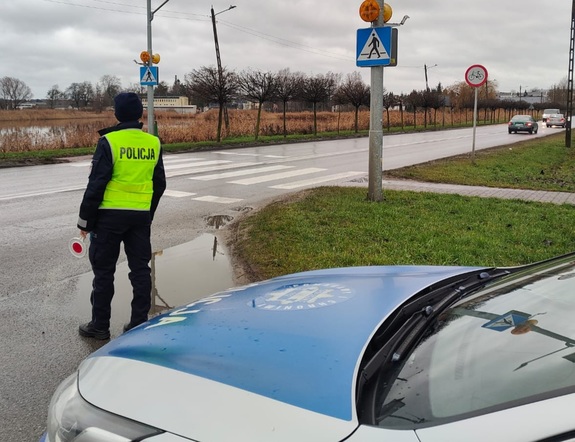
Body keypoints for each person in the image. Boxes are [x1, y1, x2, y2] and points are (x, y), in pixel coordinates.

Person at [77, 92, 166, 340]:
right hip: (139, 217)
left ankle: (100, 326)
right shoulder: (153, 143)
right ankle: (138, 324)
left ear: (116, 114)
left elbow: (96, 185)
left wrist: (84, 222)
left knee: (104, 271)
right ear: (139, 114)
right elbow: (160, 184)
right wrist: (147, 212)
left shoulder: (109, 142)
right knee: (140, 269)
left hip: (108, 218)